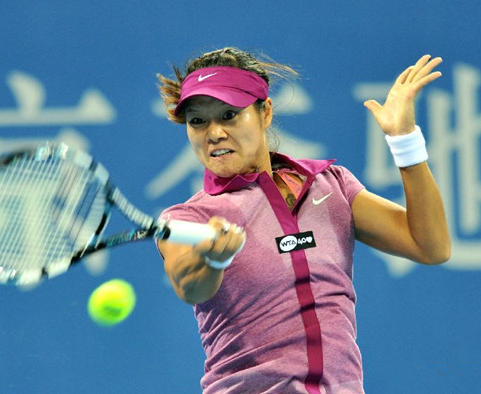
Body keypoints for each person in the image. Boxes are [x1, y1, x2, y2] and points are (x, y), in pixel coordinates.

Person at [156, 47, 450, 394]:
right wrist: (213, 258)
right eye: (197, 121)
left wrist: (405, 141)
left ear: (264, 112)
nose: (214, 133)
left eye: (229, 114)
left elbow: (430, 246)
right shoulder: (189, 218)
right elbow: (190, 286)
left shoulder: (331, 185)